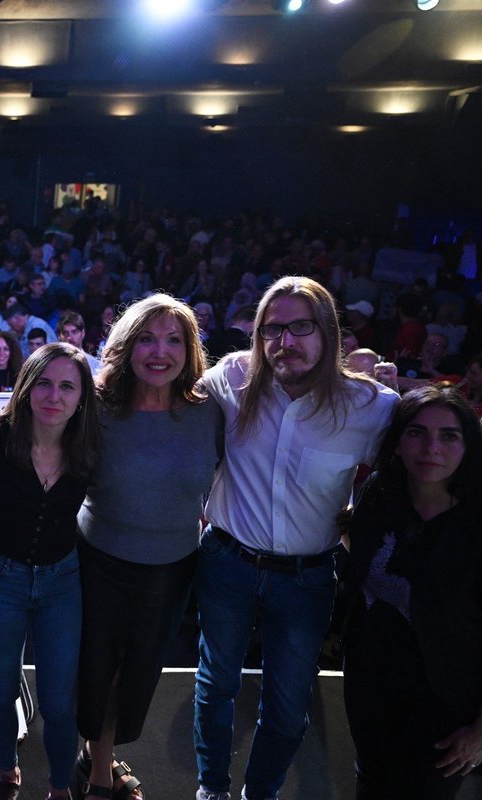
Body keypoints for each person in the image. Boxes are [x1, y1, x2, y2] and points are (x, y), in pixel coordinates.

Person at [193, 277, 399, 800]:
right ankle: (212, 789)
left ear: (328, 331)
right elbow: (163, 394)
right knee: (215, 684)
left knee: (287, 707)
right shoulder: (234, 376)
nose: (285, 341)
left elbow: (422, 464)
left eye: (300, 327)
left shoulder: (371, 406)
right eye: (272, 329)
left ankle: (260, 793)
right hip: (227, 562)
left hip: (307, 578)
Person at [74, 296, 221, 800]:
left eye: (173, 340)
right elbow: (31, 420)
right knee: (100, 670)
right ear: (126, 345)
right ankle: (98, 772)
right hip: (99, 561)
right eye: (147, 338)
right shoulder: (95, 405)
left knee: (136, 674)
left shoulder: (210, 410)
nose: (161, 352)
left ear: (190, 350)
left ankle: (96, 752)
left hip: (172, 569)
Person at [0, 343, 101, 800]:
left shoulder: (90, 448)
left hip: (63, 583)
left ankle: (59, 788)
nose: (54, 396)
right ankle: (6, 771)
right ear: (26, 387)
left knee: (58, 701)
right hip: (1, 579)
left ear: (81, 397)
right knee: (1, 689)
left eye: (67, 386)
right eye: (43, 383)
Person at [342, 384, 482, 799]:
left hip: (446, 701)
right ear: (398, 441)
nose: (431, 447)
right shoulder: (379, 495)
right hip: (370, 687)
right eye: (417, 432)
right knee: (370, 785)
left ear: (468, 445)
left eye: (449, 435)